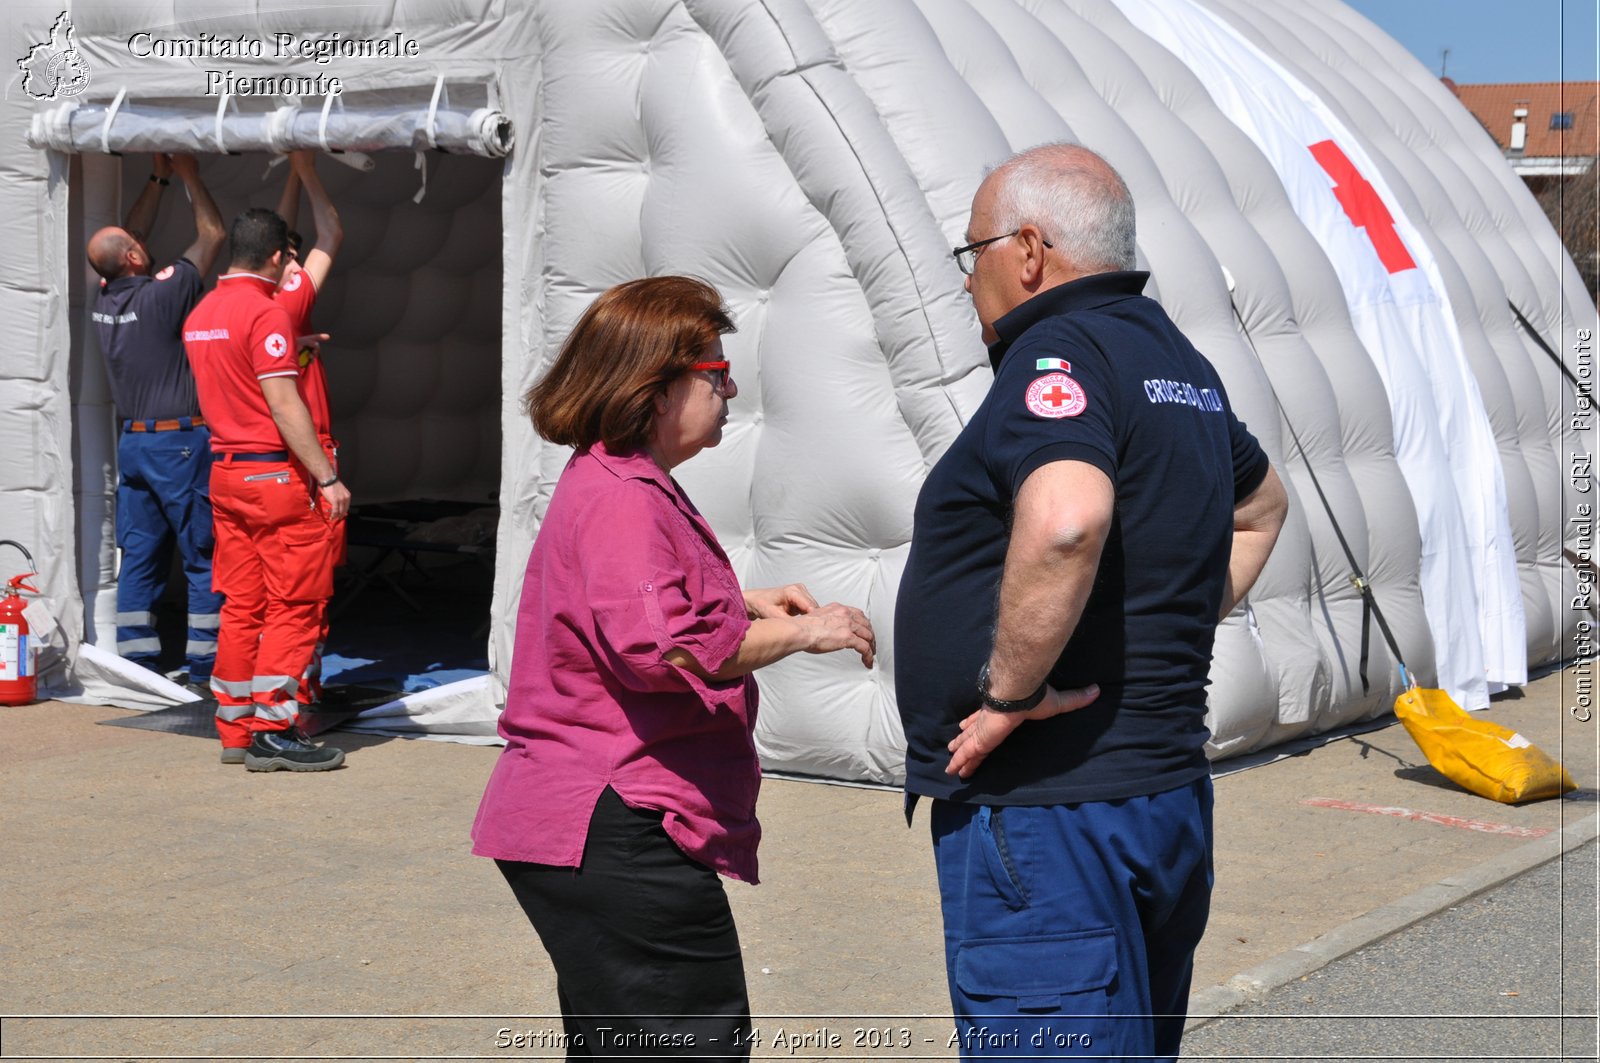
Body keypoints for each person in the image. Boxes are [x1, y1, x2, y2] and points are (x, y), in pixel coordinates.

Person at [894, 144, 1288, 1061]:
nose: (966, 283)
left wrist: (1006, 694)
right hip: (1159, 801)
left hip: (1052, 816)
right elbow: (1262, 507)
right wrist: (1177, 626)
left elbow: (1068, 519)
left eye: (972, 252)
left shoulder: (1058, 351)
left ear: (1028, 248)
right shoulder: (1175, 360)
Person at [471, 276, 876, 1058]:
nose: (728, 391)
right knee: (689, 1045)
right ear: (655, 388)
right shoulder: (626, 494)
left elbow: (630, 608)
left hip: (582, 821)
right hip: (613, 823)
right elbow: (664, 649)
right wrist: (808, 633)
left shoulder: (612, 478)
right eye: (716, 375)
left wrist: (745, 603)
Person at [182, 207, 351, 771]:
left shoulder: (202, 310)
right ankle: (275, 730)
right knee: (295, 604)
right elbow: (283, 403)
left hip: (226, 474)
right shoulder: (264, 312)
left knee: (242, 604)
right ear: (278, 257)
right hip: (274, 475)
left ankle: (234, 729)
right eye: (290, 261)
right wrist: (327, 478)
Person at [86, 153, 226, 691]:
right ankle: (205, 668)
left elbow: (129, 235)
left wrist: (156, 177)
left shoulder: (106, 296)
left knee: (140, 557)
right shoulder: (165, 297)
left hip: (135, 445)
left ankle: (138, 669)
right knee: (201, 555)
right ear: (137, 257)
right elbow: (211, 232)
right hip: (180, 446)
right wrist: (190, 173)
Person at [273, 150, 345, 704]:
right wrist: (309, 169)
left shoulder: (237, 309)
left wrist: (294, 173)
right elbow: (331, 232)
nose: (299, 267)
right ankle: (302, 686)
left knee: (268, 587)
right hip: (307, 458)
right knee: (309, 585)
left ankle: (278, 688)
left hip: (258, 462)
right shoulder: (288, 306)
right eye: (290, 258)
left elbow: (283, 232)